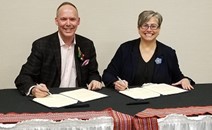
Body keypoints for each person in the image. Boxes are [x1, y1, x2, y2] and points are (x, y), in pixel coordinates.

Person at [15, 2, 102, 98]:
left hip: (79, 99)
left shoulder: (87, 45)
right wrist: (34, 90)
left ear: (78, 21)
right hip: (51, 98)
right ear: (56, 21)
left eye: (72, 19)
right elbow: (23, 77)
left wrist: (94, 80)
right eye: (63, 19)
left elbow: (93, 73)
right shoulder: (41, 45)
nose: (68, 24)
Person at [102, 10, 195, 91]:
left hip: (161, 102)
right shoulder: (125, 49)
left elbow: (178, 77)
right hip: (129, 101)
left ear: (159, 29)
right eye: (145, 26)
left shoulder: (168, 52)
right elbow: (108, 75)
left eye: (153, 26)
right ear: (138, 28)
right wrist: (116, 83)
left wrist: (186, 80)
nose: (149, 30)